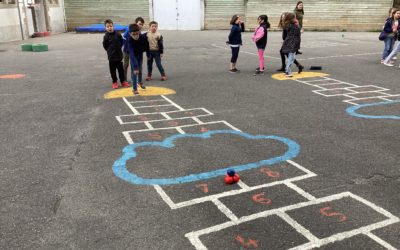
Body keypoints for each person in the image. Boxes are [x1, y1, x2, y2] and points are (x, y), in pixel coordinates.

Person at [102, 19, 130, 89]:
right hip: (111, 58)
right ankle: (114, 82)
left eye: (111, 26)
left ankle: (123, 81)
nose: (109, 28)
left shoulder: (118, 34)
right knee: (113, 71)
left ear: (113, 26)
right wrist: (109, 51)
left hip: (119, 57)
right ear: (105, 28)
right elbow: (105, 45)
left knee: (121, 70)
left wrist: (118, 50)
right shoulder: (106, 36)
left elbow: (121, 42)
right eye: (107, 26)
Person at [127, 24, 149, 95]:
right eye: (134, 34)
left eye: (137, 34)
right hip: (133, 55)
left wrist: (148, 55)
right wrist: (135, 67)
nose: (136, 36)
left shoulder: (142, 37)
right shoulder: (129, 40)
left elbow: (147, 46)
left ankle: (140, 82)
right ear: (130, 34)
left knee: (140, 69)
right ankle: (134, 89)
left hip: (140, 54)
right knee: (135, 71)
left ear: (139, 32)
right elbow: (131, 53)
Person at [123, 17, 145, 83]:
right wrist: (126, 47)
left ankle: (133, 78)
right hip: (126, 51)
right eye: (139, 24)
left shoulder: (139, 32)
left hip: (133, 51)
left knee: (133, 64)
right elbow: (124, 38)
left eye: (141, 24)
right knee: (126, 65)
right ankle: (124, 79)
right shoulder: (129, 30)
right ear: (136, 23)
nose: (140, 26)